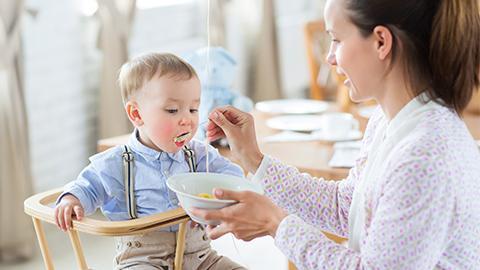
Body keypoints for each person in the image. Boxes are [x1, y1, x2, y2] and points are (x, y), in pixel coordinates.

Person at [191, 0, 480, 269]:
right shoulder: (389, 120)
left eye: (337, 39)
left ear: (381, 41)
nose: (329, 57)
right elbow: (346, 208)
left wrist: (276, 224)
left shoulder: (425, 157)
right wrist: (253, 159)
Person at [54, 53, 246, 270]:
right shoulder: (116, 162)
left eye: (193, 109)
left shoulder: (199, 154)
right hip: (142, 260)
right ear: (136, 114)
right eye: (172, 110)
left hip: (201, 258)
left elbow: (232, 177)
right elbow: (87, 187)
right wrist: (71, 200)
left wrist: (216, 199)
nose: (187, 119)